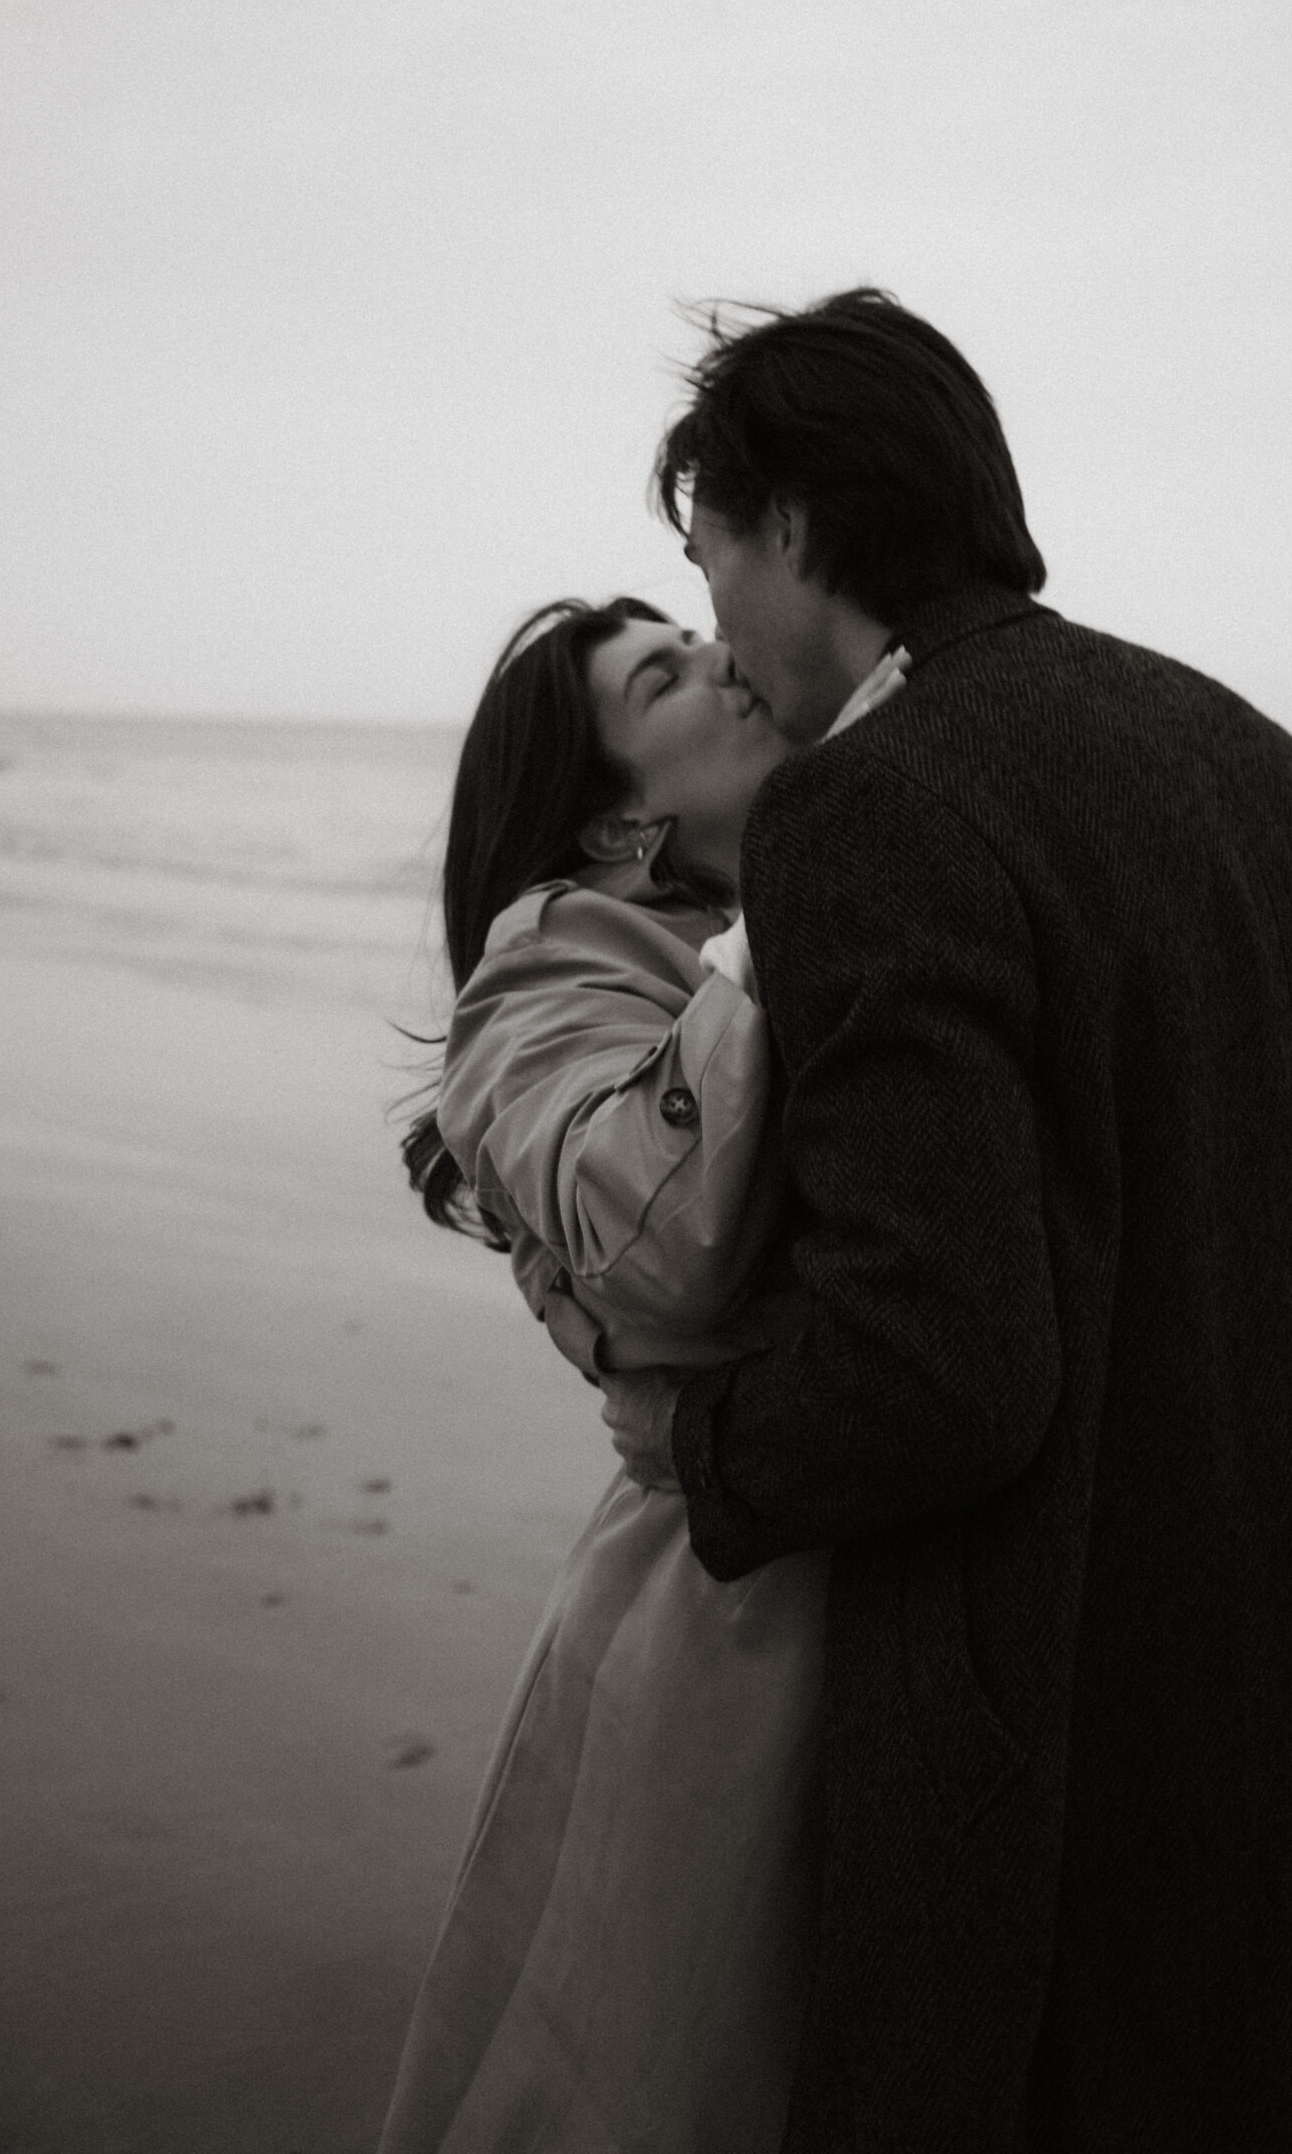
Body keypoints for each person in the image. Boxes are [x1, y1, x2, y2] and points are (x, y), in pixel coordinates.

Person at [597, 289, 1292, 2154]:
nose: (717, 627)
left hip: (1094, 1818)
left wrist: (698, 1441)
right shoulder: (1266, 761)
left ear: (798, 524)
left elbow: (940, 1366)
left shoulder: (869, 806)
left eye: (710, 559)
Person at [377, 595, 903, 2154]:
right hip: (719, 1608)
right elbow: (655, 1237)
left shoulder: (841, 893)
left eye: (697, 634)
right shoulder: (541, 977)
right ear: (615, 824)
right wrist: (783, 907)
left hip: (864, 1554)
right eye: (663, 676)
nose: (726, 659)